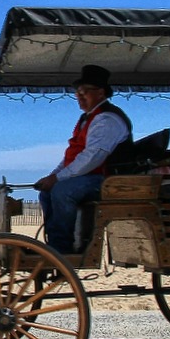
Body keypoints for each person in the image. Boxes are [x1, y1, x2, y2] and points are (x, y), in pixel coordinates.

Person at [33, 65, 132, 253]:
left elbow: (93, 157)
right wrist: (52, 176)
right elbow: (72, 156)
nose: (79, 97)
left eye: (84, 92)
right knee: (46, 192)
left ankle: (62, 248)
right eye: (77, 93)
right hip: (90, 176)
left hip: (107, 179)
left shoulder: (108, 119)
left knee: (62, 191)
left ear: (101, 93)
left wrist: (58, 179)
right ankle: (54, 243)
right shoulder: (87, 119)